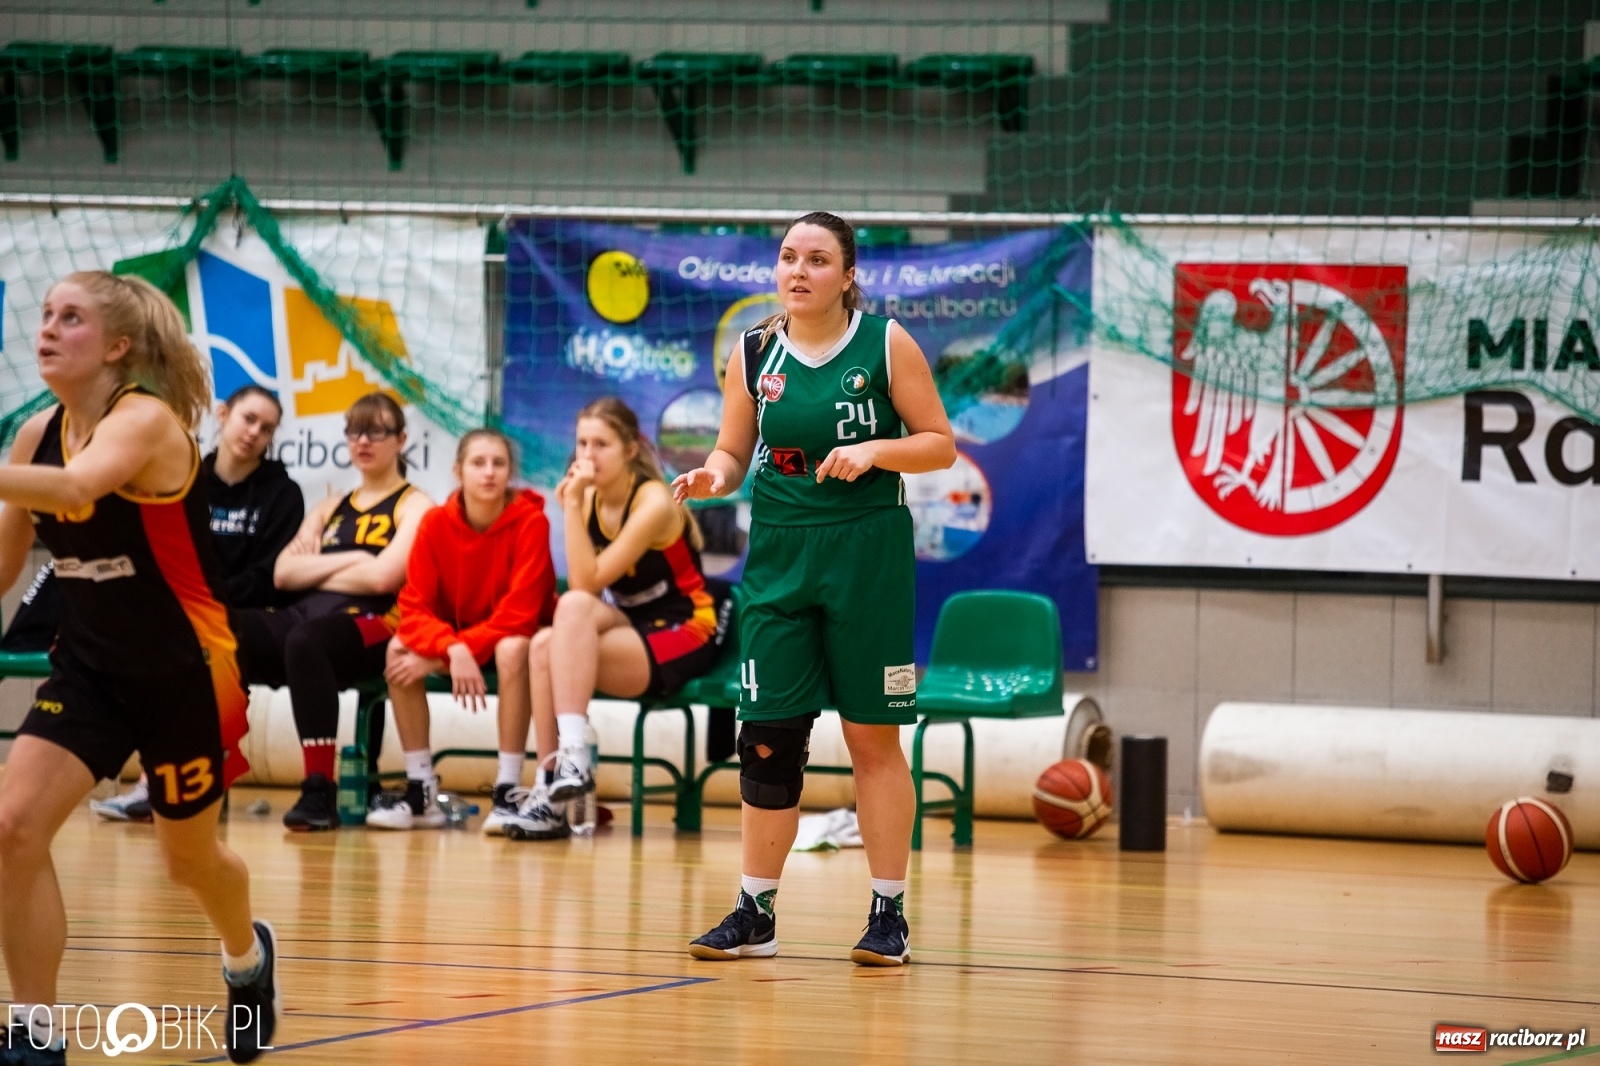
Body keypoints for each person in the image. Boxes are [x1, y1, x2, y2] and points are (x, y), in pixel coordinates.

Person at [0, 271, 278, 1063]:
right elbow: (3, 568)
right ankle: (34, 1031)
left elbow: (78, 489)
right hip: (88, 668)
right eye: (46, 315)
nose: (49, 329)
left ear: (118, 346)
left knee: (188, 861)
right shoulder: (32, 436)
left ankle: (246, 957)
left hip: (185, 672)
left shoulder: (148, 422)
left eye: (72, 318)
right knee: (12, 830)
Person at [673, 212, 956, 967]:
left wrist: (874, 450)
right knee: (767, 737)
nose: (799, 270)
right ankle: (755, 910)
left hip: (867, 550)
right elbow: (735, 448)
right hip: (779, 551)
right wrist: (713, 476)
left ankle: (888, 913)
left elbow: (940, 444)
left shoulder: (886, 342)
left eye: (818, 259)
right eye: (789, 256)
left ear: (848, 274)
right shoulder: (755, 349)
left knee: (871, 737)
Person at [502, 397, 724, 842]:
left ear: (629, 450)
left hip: (689, 626)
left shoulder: (654, 500)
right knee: (548, 638)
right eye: (582, 443)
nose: (587, 455)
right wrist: (576, 505)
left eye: (600, 444)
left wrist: (569, 507)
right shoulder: (590, 499)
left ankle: (572, 758)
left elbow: (588, 580)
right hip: (634, 623)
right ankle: (557, 781)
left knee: (567, 617)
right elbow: (581, 594)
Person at [90, 383, 304, 823]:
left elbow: (268, 578)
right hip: (181, 611)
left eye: (266, 429)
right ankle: (155, 776)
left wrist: (206, 599)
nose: (254, 433)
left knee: (194, 645)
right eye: (249, 419)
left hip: (247, 617)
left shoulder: (283, 494)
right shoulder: (184, 479)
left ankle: (161, 784)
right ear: (223, 414)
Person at [232, 392, 434, 832]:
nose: (364, 441)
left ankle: (318, 789)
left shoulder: (416, 505)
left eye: (377, 431)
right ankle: (209, 762)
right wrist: (355, 560)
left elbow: (384, 579)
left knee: (309, 640)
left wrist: (320, 568)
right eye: (355, 431)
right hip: (305, 615)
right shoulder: (330, 505)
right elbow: (284, 574)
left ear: (400, 439)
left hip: (376, 625)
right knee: (227, 628)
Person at [374, 428, 556, 833]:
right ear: (458, 470)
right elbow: (413, 605)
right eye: (478, 463)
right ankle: (420, 789)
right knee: (397, 651)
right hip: (459, 644)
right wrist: (451, 648)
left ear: (510, 472)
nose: (488, 473)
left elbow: (520, 615)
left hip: (513, 642)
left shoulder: (531, 522)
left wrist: (456, 649)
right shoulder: (434, 523)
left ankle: (508, 789)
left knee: (513, 648)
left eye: (498, 463)